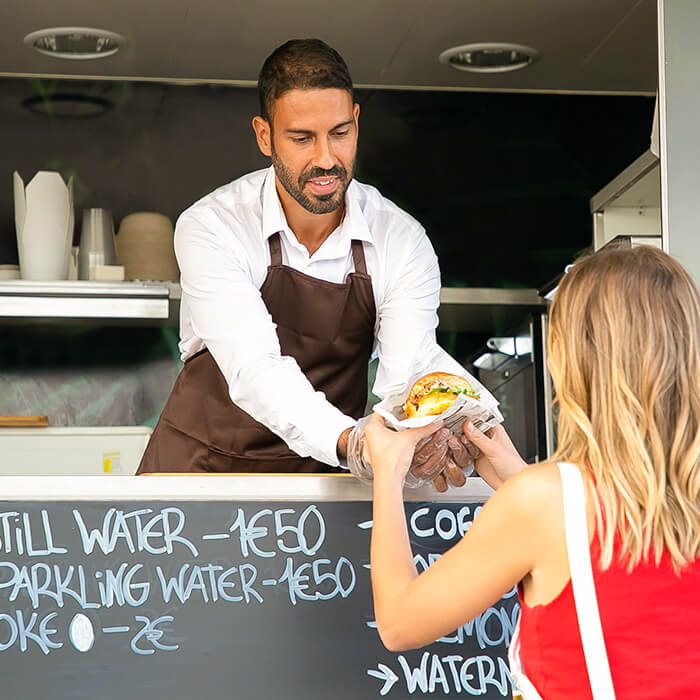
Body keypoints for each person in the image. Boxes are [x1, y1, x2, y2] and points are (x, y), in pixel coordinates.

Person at [365, 244, 700, 698]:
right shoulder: (548, 498)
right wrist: (519, 474)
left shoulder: (541, 503)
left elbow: (400, 624)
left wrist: (386, 471)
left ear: (574, 360)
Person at [137, 38, 468, 479]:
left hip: (321, 486)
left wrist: (419, 438)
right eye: (301, 138)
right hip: (199, 478)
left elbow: (403, 381)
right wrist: (351, 443)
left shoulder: (401, 240)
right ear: (264, 136)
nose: (326, 159)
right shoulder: (213, 225)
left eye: (339, 133)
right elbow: (254, 366)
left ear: (356, 122)